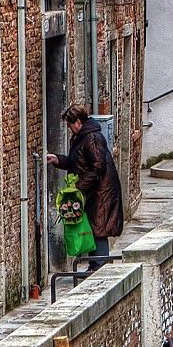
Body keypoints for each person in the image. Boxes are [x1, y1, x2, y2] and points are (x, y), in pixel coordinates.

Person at [47, 106, 124, 273]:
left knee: (99, 228)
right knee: (94, 226)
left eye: (69, 124)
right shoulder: (82, 138)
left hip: (101, 192)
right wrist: (57, 159)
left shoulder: (92, 139)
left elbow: (98, 167)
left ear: (78, 122)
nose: (68, 128)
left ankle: (99, 267)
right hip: (94, 190)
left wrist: (78, 187)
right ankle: (95, 265)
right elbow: (78, 162)